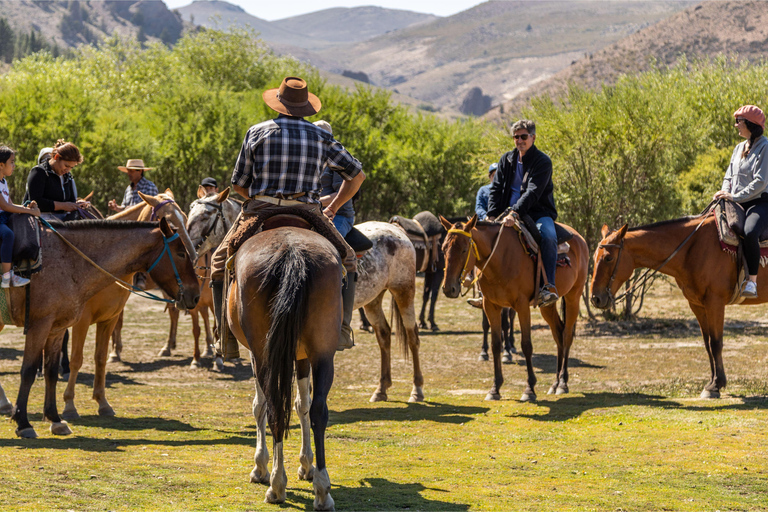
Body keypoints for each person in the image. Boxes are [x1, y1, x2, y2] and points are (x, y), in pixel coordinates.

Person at [210, 76, 365, 357]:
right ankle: (342, 330)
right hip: (308, 210)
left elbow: (238, 184)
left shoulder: (256, 132)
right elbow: (357, 176)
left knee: (219, 262)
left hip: (261, 208)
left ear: (278, 104)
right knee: (349, 259)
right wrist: (334, 205)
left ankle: (224, 337)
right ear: (306, 106)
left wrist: (260, 199)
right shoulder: (322, 136)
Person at [487, 119, 559, 307]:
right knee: (480, 239)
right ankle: (483, 289)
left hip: (537, 212)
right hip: (506, 214)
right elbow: (495, 189)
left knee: (549, 236)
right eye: (516, 137)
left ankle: (548, 287)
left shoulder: (542, 161)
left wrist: (515, 213)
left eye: (524, 136)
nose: (519, 140)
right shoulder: (506, 159)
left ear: (533, 138)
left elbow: (532, 192)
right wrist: (492, 215)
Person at [713, 105, 768, 298]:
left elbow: (761, 182)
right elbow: (729, 175)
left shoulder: (765, 147)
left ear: (750, 124)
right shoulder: (738, 148)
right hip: (736, 199)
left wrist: (735, 197)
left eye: (739, 121)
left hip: (759, 203)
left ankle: (752, 281)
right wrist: (724, 192)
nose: (736, 125)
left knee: (750, 232)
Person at [0, 146, 41, 287]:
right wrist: (29, 212)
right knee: (8, 235)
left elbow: (10, 204)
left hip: (4, 217)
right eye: (11, 162)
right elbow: (5, 207)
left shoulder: (3, 182)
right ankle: (7, 277)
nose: (14, 165)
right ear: (1, 165)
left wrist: (26, 208)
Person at [24, 139, 83, 221]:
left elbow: (71, 200)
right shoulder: (39, 172)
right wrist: (63, 206)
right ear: (56, 157)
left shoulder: (67, 176)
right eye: (66, 166)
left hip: (64, 219)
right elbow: (36, 201)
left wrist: (76, 205)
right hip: (41, 219)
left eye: (71, 167)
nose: (68, 170)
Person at [467, 162, 499, 308]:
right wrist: (485, 217)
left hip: (502, 224)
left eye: (499, 174)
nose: (496, 177)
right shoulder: (483, 190)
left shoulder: (506, 190)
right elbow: (478, 207)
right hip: (486, 225)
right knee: (475, 247)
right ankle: (477, 287)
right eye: (494, 175)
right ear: (490, 176)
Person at [317, 120, 356, 238]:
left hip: (340, 215)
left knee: (330, 240)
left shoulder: (337, 161)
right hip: (318, 213)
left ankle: (349, 257)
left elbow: (340, 194)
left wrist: (314, 201)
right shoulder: (313, 159)